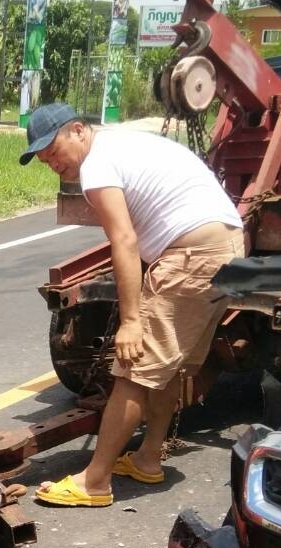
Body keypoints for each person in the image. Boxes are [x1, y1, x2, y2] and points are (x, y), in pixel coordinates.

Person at [19, 102, 245, 507]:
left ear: (77, 130)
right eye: (42, 158)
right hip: (223, 247)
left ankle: (95, 481)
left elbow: (124, 242)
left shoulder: (97, 167)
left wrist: (131, 320)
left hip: (191, 253)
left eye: (53, 150)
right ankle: (147, 458)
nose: (50, 162)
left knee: (134, 369)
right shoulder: (121, 145)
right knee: (165, 365)